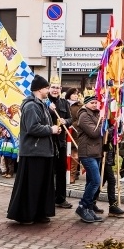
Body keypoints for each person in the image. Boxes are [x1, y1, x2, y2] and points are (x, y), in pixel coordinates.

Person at [6, 75, 60, 224]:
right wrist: (51, 129)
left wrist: (53, 129)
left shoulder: (41, 104)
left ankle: (39, 213)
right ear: (39, 89)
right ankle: (26, 215)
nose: (49, 90)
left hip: (43, 151)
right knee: (32, 186)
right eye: (47, 88)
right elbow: (32, 128)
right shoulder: (31, 106)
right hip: (33, 152)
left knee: (42, 185)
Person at [75, 91, 105, 223]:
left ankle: (89, 207)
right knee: (95, 181)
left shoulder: (96, 114)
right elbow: (94, 132)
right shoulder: (83, 116)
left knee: (90, 182)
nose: (94, 105)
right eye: (91, 103)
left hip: (96, 152)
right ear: (86, 104)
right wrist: (104, 125)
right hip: (86, 152)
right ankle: (82, 206)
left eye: (95, 102)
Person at [47, 76, 74, 208]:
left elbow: (71, 119)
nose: (55, 90)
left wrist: (66, 121)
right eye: (53, 87)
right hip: (48, 142)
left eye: (57, 87)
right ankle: (48, 198)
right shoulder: (44, 102)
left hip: (61, 142)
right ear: (49, 88)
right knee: (49, 171)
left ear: (61, 89)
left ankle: (61, 198)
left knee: (61, 170)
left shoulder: (64, 103)